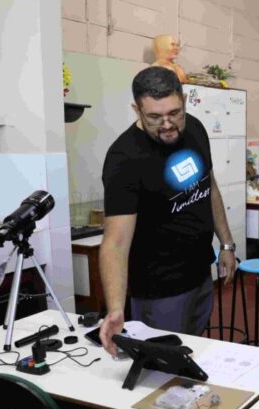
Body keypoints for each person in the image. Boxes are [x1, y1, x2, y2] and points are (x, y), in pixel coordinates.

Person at [98, 67, 236, 356]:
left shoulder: (195, 129)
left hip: (200, 273)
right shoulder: (124, 158)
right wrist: (114, 308)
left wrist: (226, 243)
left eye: (174, 113)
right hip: (160, 290)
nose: (167, 124)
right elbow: (115, 242)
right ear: (136, 109)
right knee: (161, 368)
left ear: (184, 100)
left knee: (194, 355)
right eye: (154, 117)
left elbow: (208, 187)